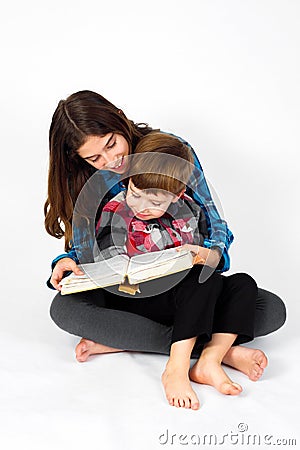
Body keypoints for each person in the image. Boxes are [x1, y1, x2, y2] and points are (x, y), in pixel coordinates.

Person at [46, 90, 285, 380]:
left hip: (181, 283)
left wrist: (212, 254)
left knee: (268, 308)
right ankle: (219, 351)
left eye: (112, 144)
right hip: (124, 289)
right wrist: (66, 262)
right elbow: (84, 248)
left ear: (120, 121)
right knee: (65, 309)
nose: (111, 160)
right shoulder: (82, 178)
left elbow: (211, 219)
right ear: (78, 157)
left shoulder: (169, 152)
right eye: (95, 157)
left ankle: (125, 339)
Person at [92, 131, 260, 409]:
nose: (143, 207)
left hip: (184, 297)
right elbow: (111, 264)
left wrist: (204, 255)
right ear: (128, 181)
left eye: (156, 202)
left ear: (178, 195)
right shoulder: (115, 211)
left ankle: (210, 359)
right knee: (202, 284)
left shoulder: (190, 211)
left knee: (243, 284)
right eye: (135, 194)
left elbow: (204, 256)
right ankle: (177, 367)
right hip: (138, 294)